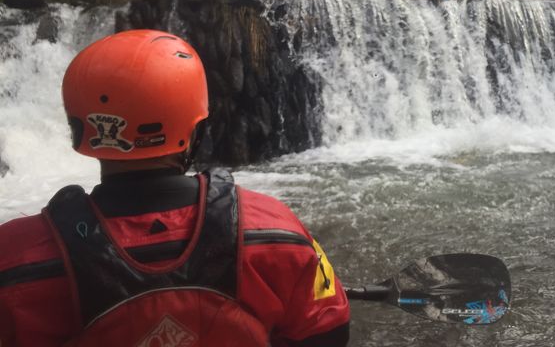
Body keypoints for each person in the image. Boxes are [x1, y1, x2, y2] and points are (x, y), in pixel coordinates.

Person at [0, 30, 350, 347]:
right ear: (194, 126)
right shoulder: (277, 230)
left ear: (80, 128)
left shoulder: (16, 257)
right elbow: (330, 333)